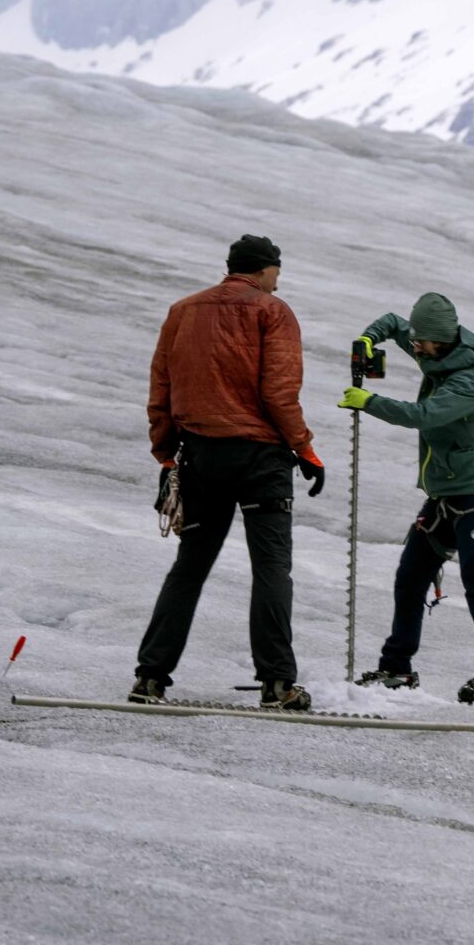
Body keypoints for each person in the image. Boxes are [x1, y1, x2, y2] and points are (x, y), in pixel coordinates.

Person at [135, 234, 325, 710]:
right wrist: (305, 449)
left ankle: (150, 677)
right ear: (264, 270)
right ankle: (277, 683)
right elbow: (279, 392)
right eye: (277, 272)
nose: (278, 281)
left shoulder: (183, 311)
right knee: (271, 569)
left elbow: (162, 385)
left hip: (201, 456)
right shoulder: (271, 311)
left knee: (190, 568)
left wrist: (166, 454)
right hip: (261, 459)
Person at [343, 292, 474, 706]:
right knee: (410, 578)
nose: (414, 347)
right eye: (415, 342)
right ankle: (397, 667)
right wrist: (369, 339)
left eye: (421, 343)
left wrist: (371, 402)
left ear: (440, 339)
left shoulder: (468, 381)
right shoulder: (436, 353)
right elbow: (395, 322)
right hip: (441, 499)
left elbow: (424, 415)